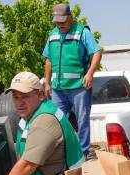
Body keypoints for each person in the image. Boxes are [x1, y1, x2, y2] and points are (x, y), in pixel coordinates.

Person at [43, 3, 102, 156]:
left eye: (62, 21)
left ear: (70, 17)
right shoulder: (52, 34)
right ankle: (62, 151)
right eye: (57, 22)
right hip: (58, 88)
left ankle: (83, 151)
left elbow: (96, 52)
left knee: (82, 120)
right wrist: (47, 83)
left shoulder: (82, 32)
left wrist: (90, 74)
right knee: (57, 121)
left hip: (78, 87)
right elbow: (48, 60)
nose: (60, 24)